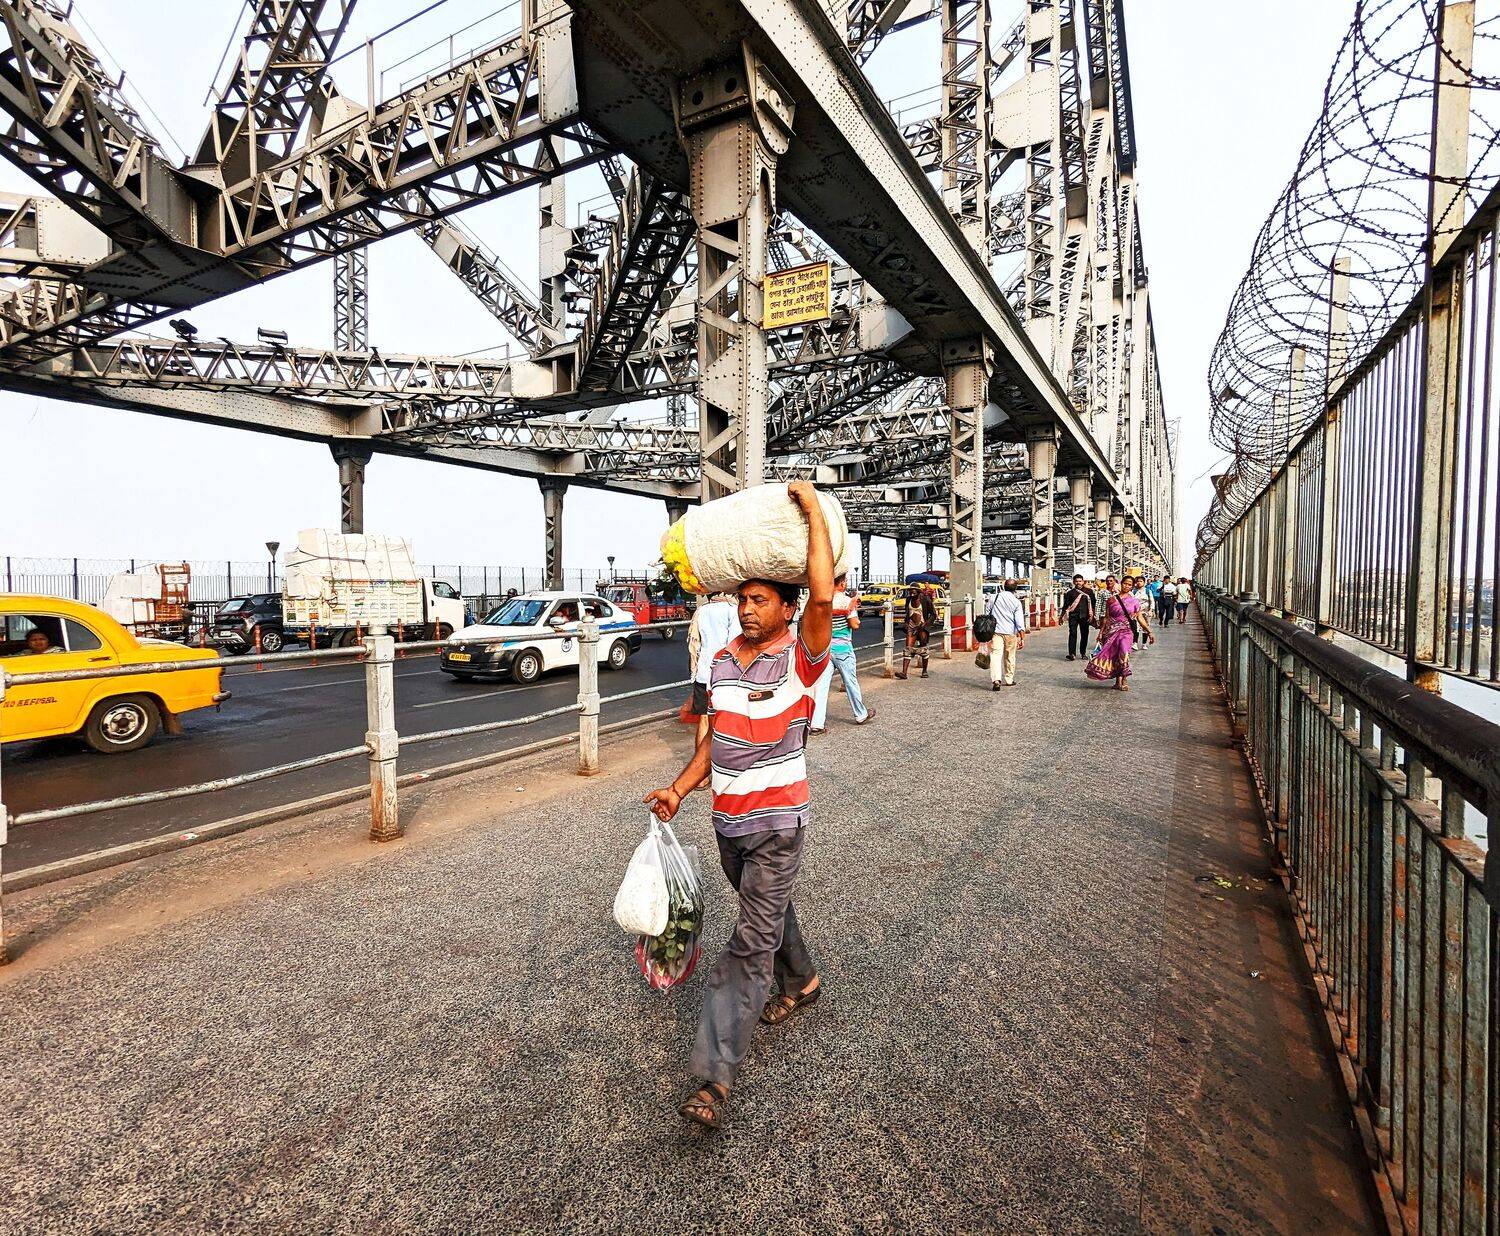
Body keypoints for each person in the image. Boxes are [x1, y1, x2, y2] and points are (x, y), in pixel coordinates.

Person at [644, 480, 833, 1132]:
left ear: (787, 606)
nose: (747, 610)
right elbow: (714, 740)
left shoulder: (802, 659)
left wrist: (811, 512)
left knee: (749, 945)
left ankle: (715, 1078)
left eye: (760, 600)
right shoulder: (723, 662)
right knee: (767, 912)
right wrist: (678, 788)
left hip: (778, 826)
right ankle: (802, 980)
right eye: (742, 599)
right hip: (729, 825)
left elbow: (824, 597)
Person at [683, 592, 741, 763]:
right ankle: (723, 763)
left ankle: (700, 769)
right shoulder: (733, 610)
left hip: (703, 672)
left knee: (704, 719)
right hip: (724, 675)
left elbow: (696, 643)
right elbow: (734, 645)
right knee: (726, 719)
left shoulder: (702, 610)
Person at [811, 573, 873, 731]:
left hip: (826, 648)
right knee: (851, 682)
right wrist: (856, 617)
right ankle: (860, 714)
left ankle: (817, 723)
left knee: (822, 686)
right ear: (842, 584)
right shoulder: (847, 601)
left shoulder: (824, 602)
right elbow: (854, 624)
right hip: (843, 649)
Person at [1086, 579, 1141, 691]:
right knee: (1115, 655)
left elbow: (1139, 617)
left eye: (1129, 585)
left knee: (1124, 653)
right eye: (1125, 583)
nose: (1127, 586)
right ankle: (1117, 681)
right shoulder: (1111, 600)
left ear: (1132, 587)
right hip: (1111, 631)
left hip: (1127, 631)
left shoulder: (1134, 601)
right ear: (1121, 584)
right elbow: (1106, 618)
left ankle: (1124, 679)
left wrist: (1149, 632)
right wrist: (1101, 632)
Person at [985, 579, 1028, 688]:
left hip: (996, 632)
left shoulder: (994, 597)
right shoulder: (1016, 602)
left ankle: (996, 680)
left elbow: (987, 612)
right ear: (1015, 589)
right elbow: (1019, 622)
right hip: (1010, 633)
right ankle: (1009, 679)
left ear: (1004, 586)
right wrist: (1022, 638)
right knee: (1010, 656)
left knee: (995, 655)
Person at [896, 585, 936, 679]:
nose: (911, 594)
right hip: (911, 626)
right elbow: (907, 613)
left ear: (918, 592)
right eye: (910, 592)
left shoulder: (925, 599)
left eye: (913, 592)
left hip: (922, 627)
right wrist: (906, 623)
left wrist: (926, 624)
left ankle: (924, 671)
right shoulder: (908, 599)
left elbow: (933, 614)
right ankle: (904, 673)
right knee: (908, 648)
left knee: (923, 648)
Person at [1060, 574, 1093, 661]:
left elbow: (1093, 604)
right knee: (1072, 634)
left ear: (1083, 581)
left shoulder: (1089, 592)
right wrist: (1061, 616)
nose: (1078, 583)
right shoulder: (1070, 593)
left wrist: (1093, 616)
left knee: (1084, 635)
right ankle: (1072, 654)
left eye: (1080, 581)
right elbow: (1065, 605)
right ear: (1074, 582)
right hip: (1073, 616)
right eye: (1076, 581)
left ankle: (1083, 653)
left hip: (1085, 616)